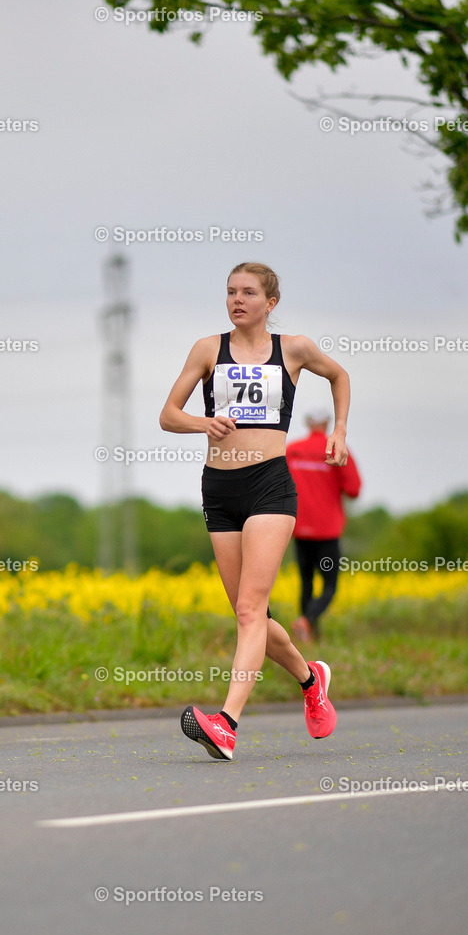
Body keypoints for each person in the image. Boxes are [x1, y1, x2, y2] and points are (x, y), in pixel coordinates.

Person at [159, 262, 351, 761]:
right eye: (230, 292)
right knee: (255, 619)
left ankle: (225, 724)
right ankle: (312, 680)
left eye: (248, 293)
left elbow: (340, 375)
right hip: (219, 490)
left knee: (249, 611)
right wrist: (203, 423)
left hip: (270, 486)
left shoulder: (295, 349)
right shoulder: (208, 349)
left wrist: (339, 431)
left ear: (271, 303)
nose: (236, 300)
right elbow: (167, 415)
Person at [286, 408, 362, 643]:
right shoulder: (336, 450)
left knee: (306, 581)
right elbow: (354, 489)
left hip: (298, 526)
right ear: (328, 421)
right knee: (329, 586)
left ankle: (308, 634)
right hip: (327, 530)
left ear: (306, 422)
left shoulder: (291, 450)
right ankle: (307, 622)